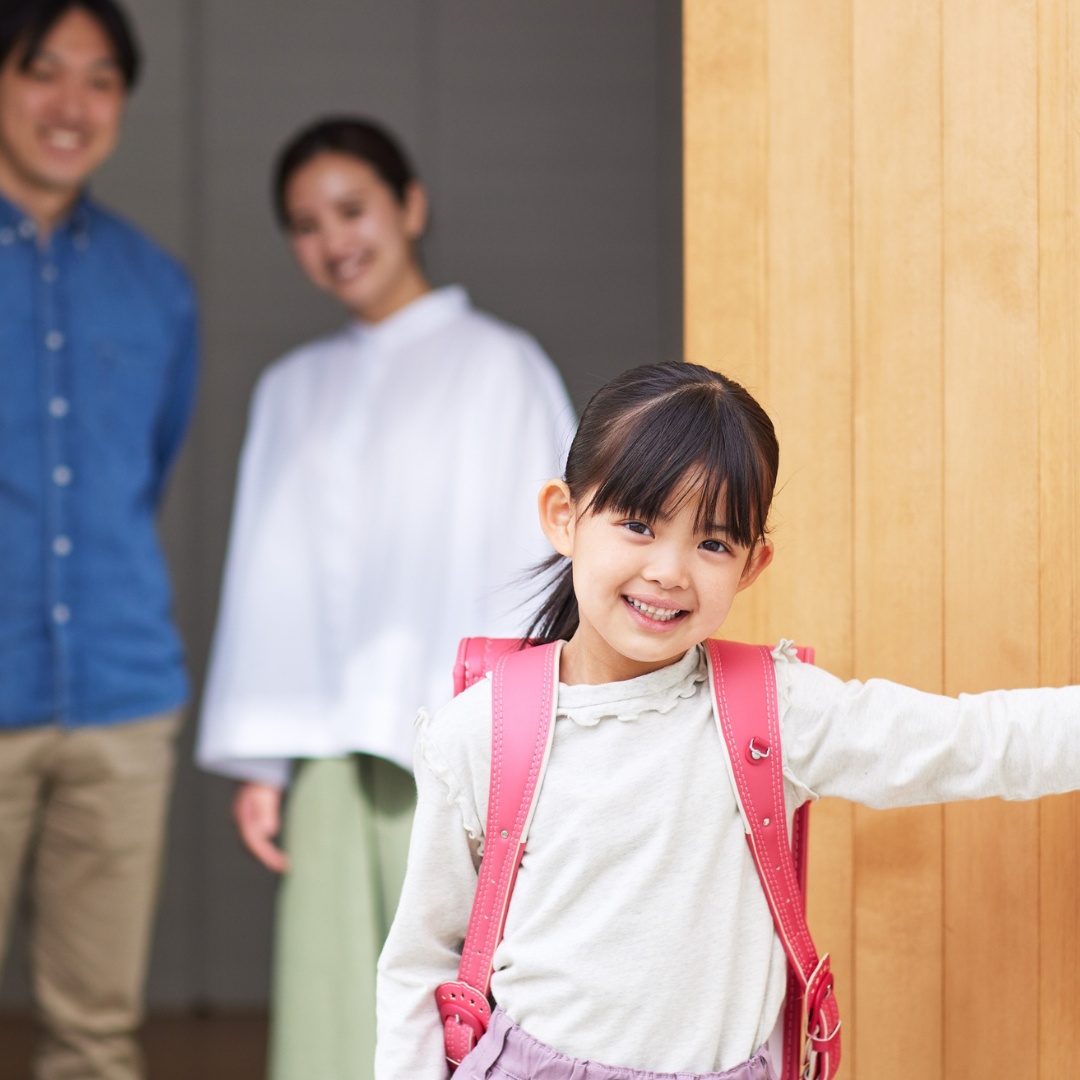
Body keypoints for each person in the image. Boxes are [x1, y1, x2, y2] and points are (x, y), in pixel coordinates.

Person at [375, 361, 1080, 1080]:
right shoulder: (481, 732)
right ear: (565, 517)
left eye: (713, 543)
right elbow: (421, 967)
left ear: (752, 564)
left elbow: (973, 744)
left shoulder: (777, 711)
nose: (669, 571)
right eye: (639, 524)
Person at [195, 117, 572, 1080]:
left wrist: (537, 728)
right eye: (306, 223)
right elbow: (267, 574)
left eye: (353, 208)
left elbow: (550, 558)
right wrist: (262, 757)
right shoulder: (293, 387)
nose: (335, 239)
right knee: (330, 997)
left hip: (464, 736)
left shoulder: (500, 364)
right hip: (324, 737)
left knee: (462, 992)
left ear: (410, 206)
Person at [0, 1, 198, 1078]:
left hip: (122, 702)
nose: (71, 105)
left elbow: (146, 473)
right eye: (43, 71)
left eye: (101, 79)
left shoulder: (157, 288)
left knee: (94, 1035)